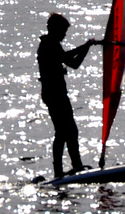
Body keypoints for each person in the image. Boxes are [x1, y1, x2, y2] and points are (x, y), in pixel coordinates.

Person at [37, 13, 97, 178]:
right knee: (62, 132)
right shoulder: (49, 44)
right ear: (54, 29)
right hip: (53, 95)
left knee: (72, 131)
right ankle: (58, 172)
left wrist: (86, 48)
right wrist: (85, 46)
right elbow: (66, 57)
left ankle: (77, 166)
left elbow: (74, 64)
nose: (64, 35)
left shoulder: (54, 44)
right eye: (63, 31)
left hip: (59, 94)